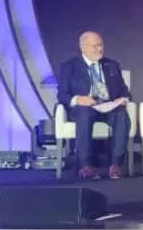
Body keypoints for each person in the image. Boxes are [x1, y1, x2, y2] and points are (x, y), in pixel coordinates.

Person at [56, 31, 131, 180]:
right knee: (84, 112)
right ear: (83, 47)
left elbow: (124, 91)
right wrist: (78, 99)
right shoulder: (70, 67)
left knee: (121, 113)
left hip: (107, 106)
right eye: (95, 46)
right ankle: (86, 165)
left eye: (101, 45)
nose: (99, 49)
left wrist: (123, 100)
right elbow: (62, 95)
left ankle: (116, 165)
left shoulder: (112, 65)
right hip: (85, 107)